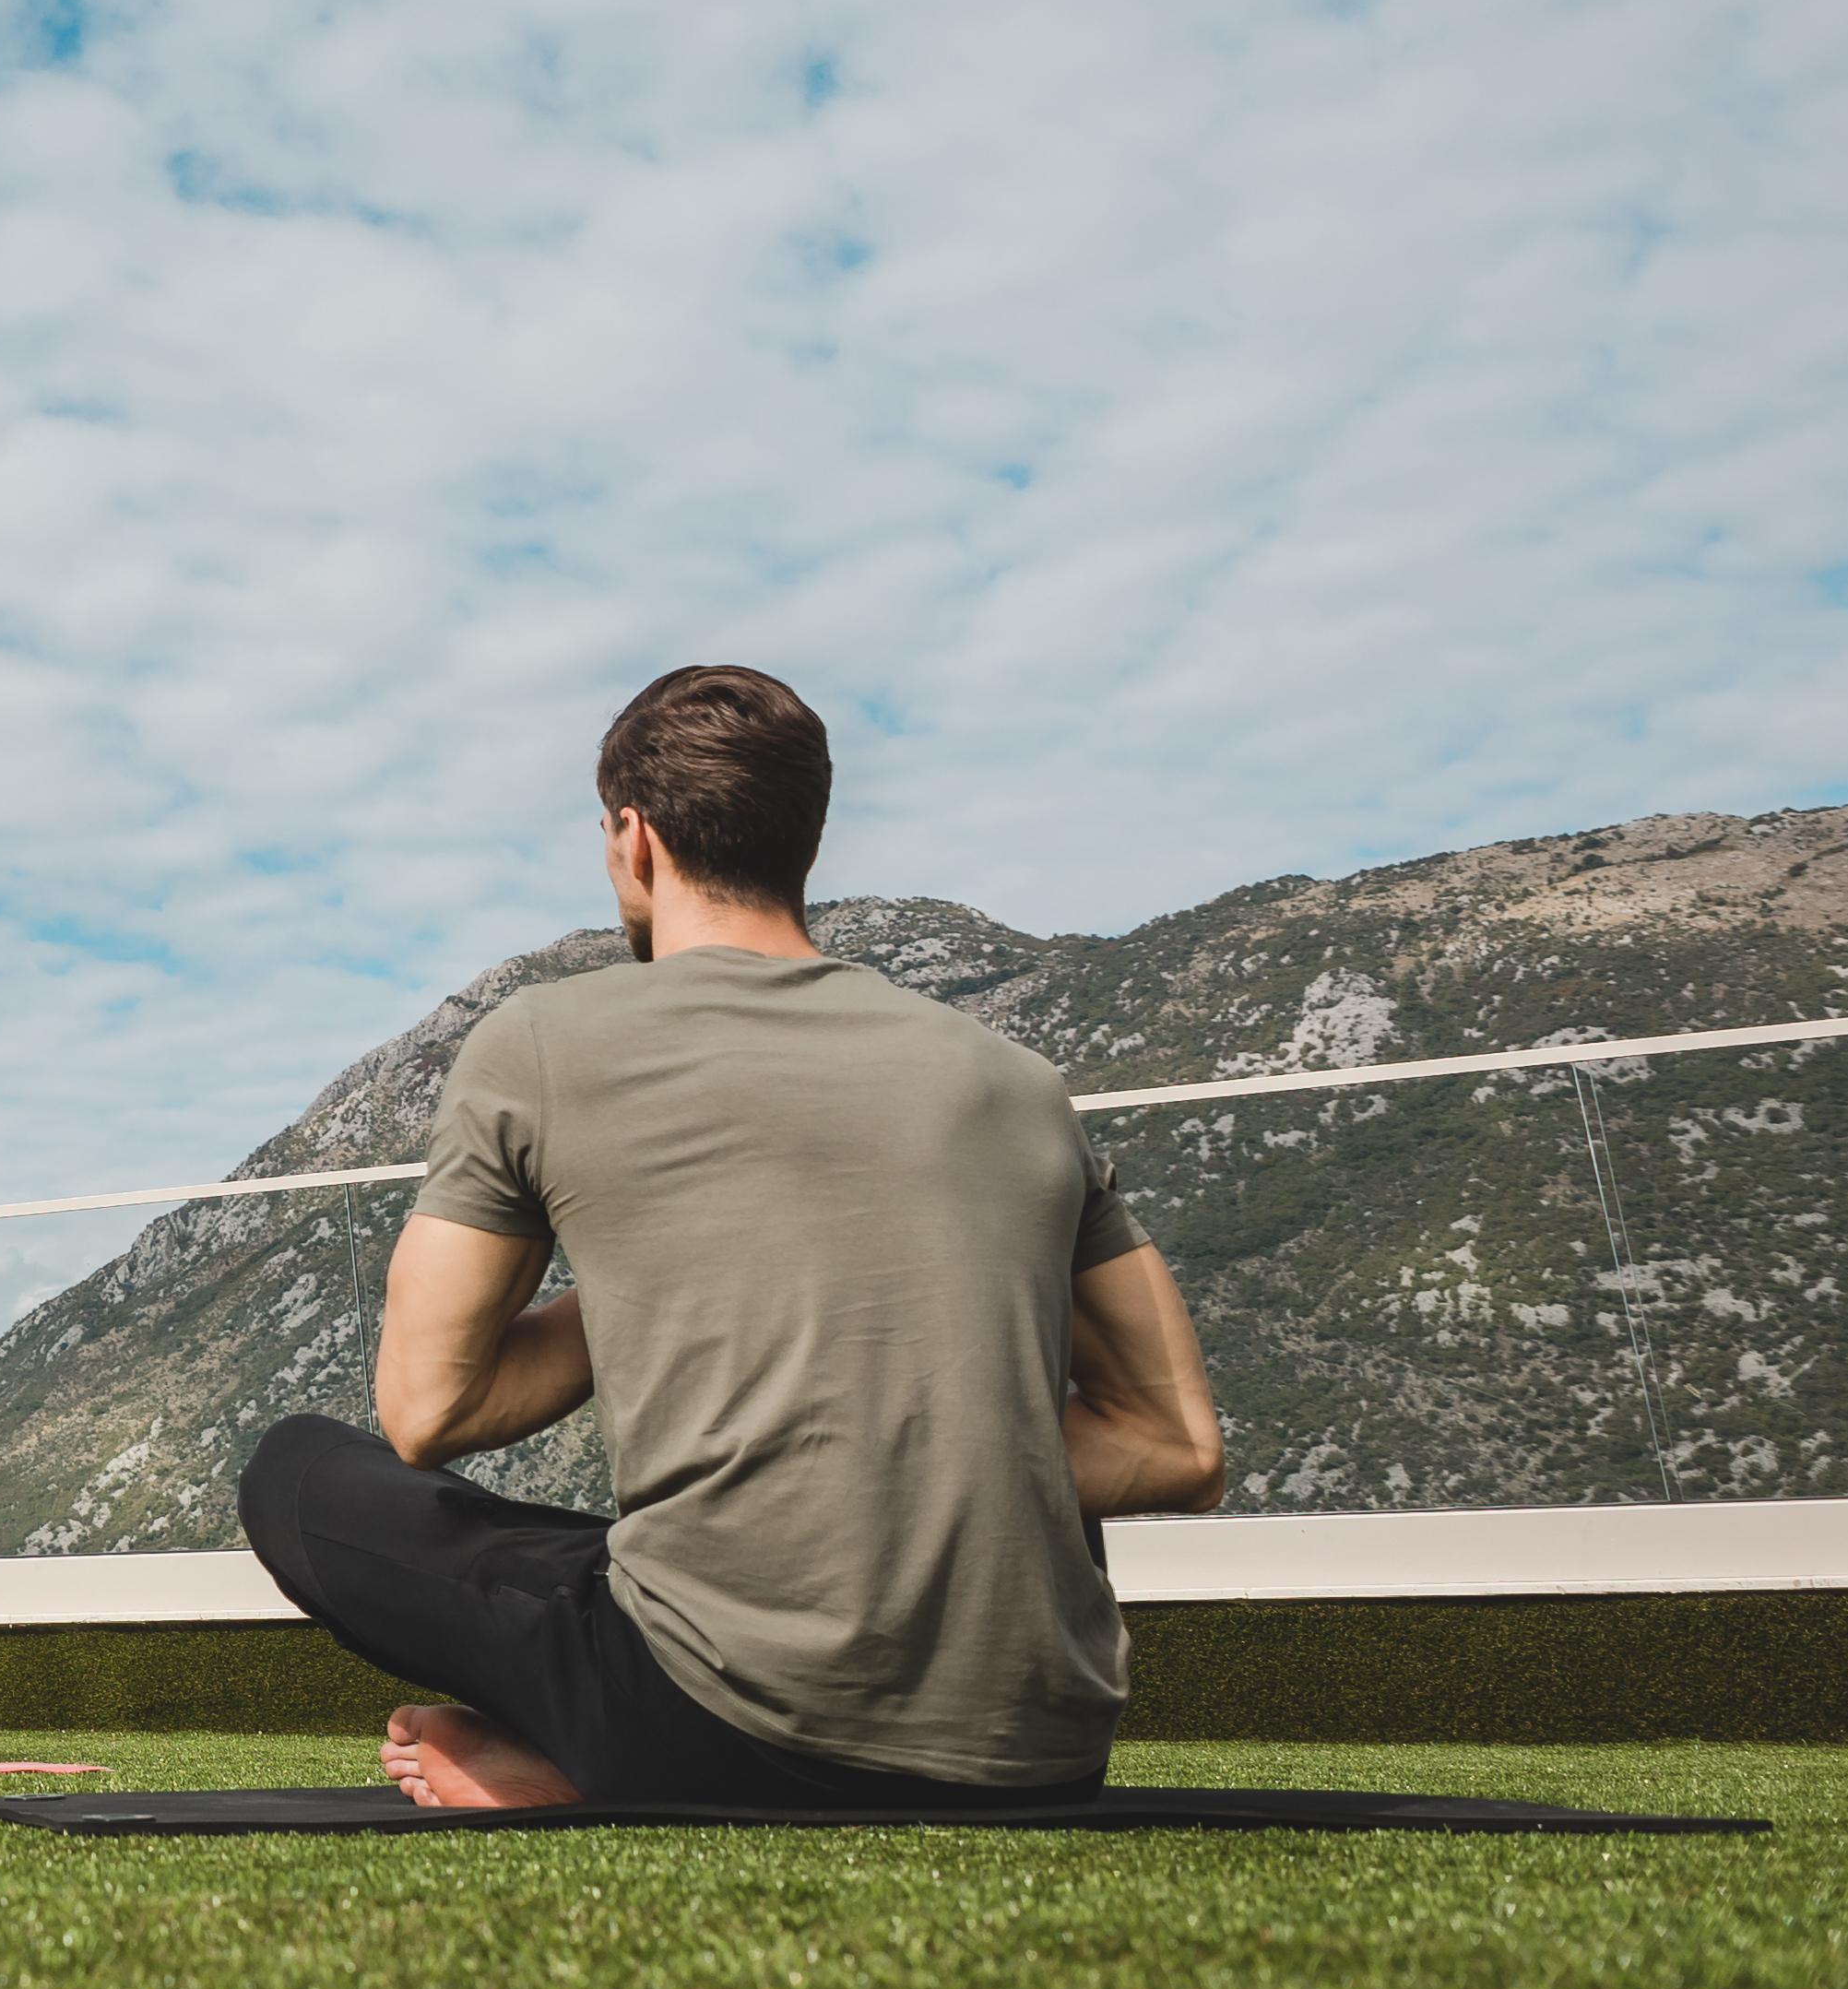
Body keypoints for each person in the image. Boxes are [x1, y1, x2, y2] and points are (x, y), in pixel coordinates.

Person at [238, 666, 1228, 1810]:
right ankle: (599, 1744)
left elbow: (428, 1412)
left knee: (301, 1472)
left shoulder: (545, 1043)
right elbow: (1180, 1448)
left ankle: (592, 1752)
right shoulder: (1017, 1081)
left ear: (633, 838)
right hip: (1038, 1750)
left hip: (718, 1720)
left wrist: (650, 1276)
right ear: (804, 838)